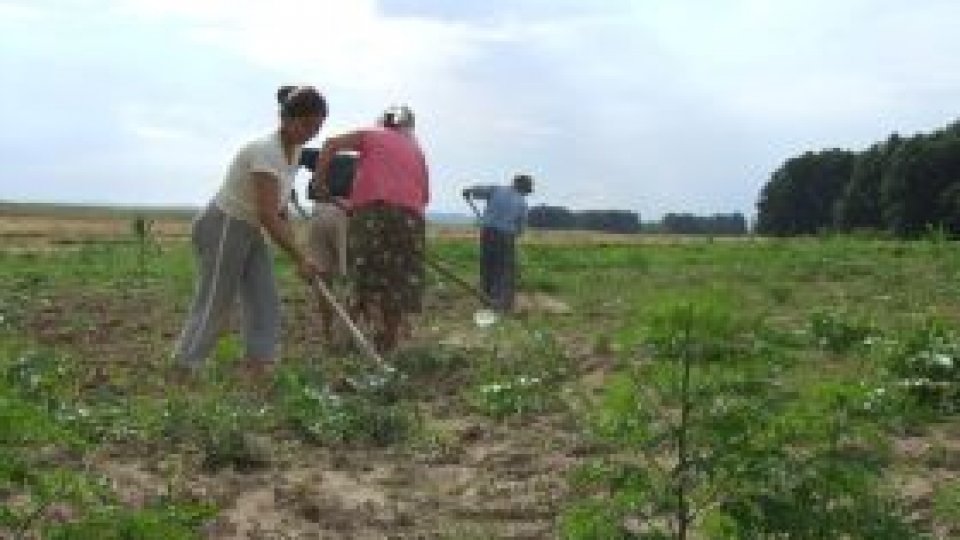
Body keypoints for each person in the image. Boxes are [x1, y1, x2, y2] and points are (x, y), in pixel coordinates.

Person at [173, 85, 327, 380]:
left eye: (317, 127)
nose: (311, 133)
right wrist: (300, 257)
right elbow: (267, 214)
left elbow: (279, 209)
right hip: (224, 225)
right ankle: (185, 366)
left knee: (263, 296)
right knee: (216, 299)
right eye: (306, 124)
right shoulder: (264, 151)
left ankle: (259, 364)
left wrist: (299, 253)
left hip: (251, 227)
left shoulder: (294, 151)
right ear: (286, 119)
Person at [309, 105, 429, 353]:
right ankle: (388, 347)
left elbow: (330, 144)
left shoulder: (372, 134)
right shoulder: (417, 150)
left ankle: (345, 345)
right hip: (410, 218)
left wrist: (319, 183)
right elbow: (425, 196)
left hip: (372, 212)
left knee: (361, 278)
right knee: (397, 285)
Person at [462, 174, 534, 312]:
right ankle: (502, 303)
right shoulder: (522, 204)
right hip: (506, 237)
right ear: (523, 188)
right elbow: (520, 228)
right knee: (504, 269)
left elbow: (477, 190)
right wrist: (514, 233)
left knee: (487, 265)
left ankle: (486, 297)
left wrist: (468, 191)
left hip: (487, 233)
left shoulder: (496, 190)